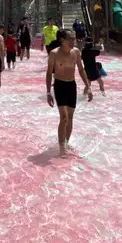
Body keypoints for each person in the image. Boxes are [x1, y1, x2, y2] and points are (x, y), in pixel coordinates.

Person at [46, 29, 91, 157]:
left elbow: (81, 70)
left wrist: (88, 86)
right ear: (62, 40)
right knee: (64, 118)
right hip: (59, 85)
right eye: (70, 39)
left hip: (71, 85)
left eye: (74, 38)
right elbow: (49, 73)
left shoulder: (76, 52)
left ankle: (66, 142)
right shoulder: (54, 53)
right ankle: (62, 148)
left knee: (70, 118)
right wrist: (48, 92)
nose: (73, 41)